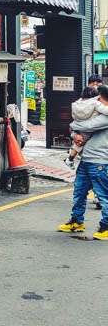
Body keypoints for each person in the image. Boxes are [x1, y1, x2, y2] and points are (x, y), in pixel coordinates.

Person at [56, 84, 108, 240]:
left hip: (99, 160)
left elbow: (86, 125)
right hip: (85, 159)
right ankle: (77, 221)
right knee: (79, 192)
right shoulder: (97, 111)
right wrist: (74, 135)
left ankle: (106, 226)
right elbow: (81, 131)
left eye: (98, 97)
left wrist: (72, 127)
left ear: (102, 97)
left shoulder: (105, 116)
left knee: (103, 195)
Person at [64, 86, 105, 169]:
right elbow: (89, 126)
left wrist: (73, 127)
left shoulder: (77, 103)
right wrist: (73, 133)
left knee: (79, 142)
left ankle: (70, 156)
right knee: (80, 142)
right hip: (88, 159)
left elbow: (86, 125)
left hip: (97, 160)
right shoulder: (96, 105)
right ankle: (70, 157)